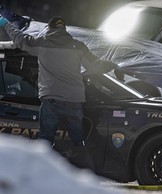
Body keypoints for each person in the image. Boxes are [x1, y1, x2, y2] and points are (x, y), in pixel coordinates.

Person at [0, 16, 118, 169]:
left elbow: (21, 40)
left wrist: (7, 24)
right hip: (74, 101)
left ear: (49, 28)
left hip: (51, 101)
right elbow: (97, 65)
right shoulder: (78, 46)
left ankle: (43, 171)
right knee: (78, 141)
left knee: (45, 142)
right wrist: (112, 65)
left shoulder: (42, 43)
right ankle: (87, 171)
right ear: (64, 29)